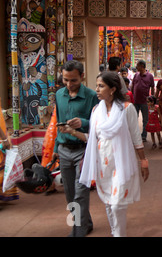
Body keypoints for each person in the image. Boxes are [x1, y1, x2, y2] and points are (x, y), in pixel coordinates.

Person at [67, 71, 149, 237]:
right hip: (103, 164)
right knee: (108, 202)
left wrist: (143, 161)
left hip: (122, 163)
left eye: (101, 86)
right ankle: (114, 231)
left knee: (117, 203)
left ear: (112, 89)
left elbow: (136, 138)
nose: (96, 89)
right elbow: (93, 138)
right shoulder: (97, 110)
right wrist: (72, 132)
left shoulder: (127, 109)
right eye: (96, 85)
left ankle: (119, 234)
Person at [52, 60, 98, 237]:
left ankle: (78, 229)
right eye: (65, 80)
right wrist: (56, 145)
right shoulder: (59, 95)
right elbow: (59, 120)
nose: (69, 84)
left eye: (73, 80)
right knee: (70, 194)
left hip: (83, 149)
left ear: (82, 77)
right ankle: (85, 222)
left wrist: (84, 122)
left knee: (80, 192)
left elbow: (98, 123)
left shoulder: (92, 96)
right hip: (63, 148)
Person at [130, 60, 155, 142]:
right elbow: (133, 87)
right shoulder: (136, 75)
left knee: (145, 120)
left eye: (137, 65)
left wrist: (152, 100)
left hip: (145, 102)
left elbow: (152, 87)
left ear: (142, 66)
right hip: (135, 101)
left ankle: (144, 135)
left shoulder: (150, 76)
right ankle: (136, 135)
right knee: (134, 119)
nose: (136, 67)